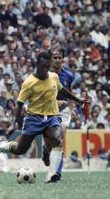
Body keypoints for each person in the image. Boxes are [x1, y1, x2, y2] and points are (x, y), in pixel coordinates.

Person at [0, 52, 85, 183]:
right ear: (37, 65)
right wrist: (13, 124)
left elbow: (61, 89)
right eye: (43, 66)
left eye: (48, 66)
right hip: (34, 118)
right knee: (20, 149)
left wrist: (77, 99)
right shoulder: (29, 82)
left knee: (57, 140)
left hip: (52, 116)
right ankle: (2, 146)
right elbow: (19, 104)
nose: (45, 69)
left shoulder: (53, 76)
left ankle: (51, 175)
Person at [42, 48, 76, 178]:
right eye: (54, 57)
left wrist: (72, 109)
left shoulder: (68, 75)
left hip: (63, 112)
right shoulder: (44, 75)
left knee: (59, 139)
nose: (57, 60)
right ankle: (46, 150)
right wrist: (56, 102)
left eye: (59, 57)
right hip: (47, 111)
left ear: (63, 59)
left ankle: (56, 173)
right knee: (49, 143)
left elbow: (70, 94)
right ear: (50, 59)